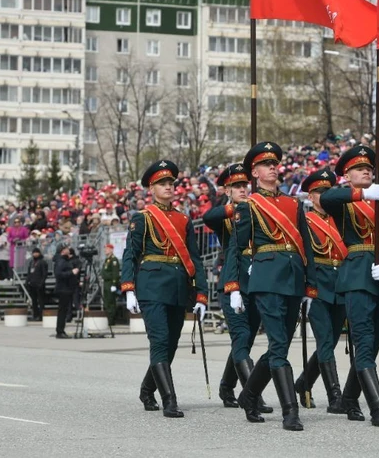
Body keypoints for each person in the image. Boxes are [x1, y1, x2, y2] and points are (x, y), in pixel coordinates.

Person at [227, 142, 316, 431]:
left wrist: (310, 286)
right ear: (254, 172)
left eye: (275, 163)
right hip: (266, 279)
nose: (273, 168)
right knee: (279, 346)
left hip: (292, 279)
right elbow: (236, 248)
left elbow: (306, 245)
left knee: (280, 346)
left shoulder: (293, 204)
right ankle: (290, 411)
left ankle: (248, 395)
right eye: (266, 164)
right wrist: (235, 286)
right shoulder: (248, 206)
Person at [321, 145, 379, 428]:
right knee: (363, 342)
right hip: (357, 274)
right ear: (347, 175)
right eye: (360, 169)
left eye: (370, 169)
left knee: (372, 344)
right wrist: (362, 194)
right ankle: (378, 409)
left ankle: (349, 398)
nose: (367, 172)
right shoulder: (345, 200)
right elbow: (326, 196)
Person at [121, 160, 208, 418]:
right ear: (152, 188)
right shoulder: (142, 219)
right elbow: (130, 255)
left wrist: (201, 294)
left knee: (170, 345)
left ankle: (147, 389)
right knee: (159, 341)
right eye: (162, 183)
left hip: (178, 288)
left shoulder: (183, 219)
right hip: (151, 287)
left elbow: (195, 258)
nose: (168, 187)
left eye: (171, 183)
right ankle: (170, 400)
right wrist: (128, 288)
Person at [205, 164, 271, 414]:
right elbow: (208, 217)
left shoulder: (258, 210)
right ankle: (252, 394)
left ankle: (226, 386)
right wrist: (237, 207)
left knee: (246, 339)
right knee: (241, 337)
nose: (243, 190)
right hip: (233, 283)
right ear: (227, 190)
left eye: (245, 186)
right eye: (237, 187)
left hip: (257, 282)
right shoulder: (227, 215)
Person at [294, 168, 348, 415]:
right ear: (311, 197)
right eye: (320, 192)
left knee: (332, 340)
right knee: (325, 340)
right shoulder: (304, 221)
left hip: (340, 284)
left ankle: (304, 382)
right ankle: (335, 396)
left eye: (329, 192)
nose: (325, 197)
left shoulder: (343, 221)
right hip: (317, 285)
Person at [54, 244, 79, 339]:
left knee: (63, 311)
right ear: (62, 251)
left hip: (66, 288)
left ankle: (61, 330)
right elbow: (58, 274)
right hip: (63, 289)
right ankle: (60, 331)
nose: (69, 249)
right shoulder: (61, 261)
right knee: (62, 311)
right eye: (66, 248)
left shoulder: (64, 260)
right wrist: (71, 272)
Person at [101, 243, 121, 326]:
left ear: (111, 250)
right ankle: (109, 318)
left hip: (110, 283)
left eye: (107, 248)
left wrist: (114, 283)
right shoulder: (107, 260)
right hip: (106, 282)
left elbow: (115, 273)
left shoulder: (114, 260)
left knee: (111, 301)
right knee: (106, 301)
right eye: (105, 248)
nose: (105, 250)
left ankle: (112, 320)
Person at [26, 248, 48, 321]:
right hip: (32, 284)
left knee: (41, 301)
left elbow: (44, 274)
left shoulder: (42, 262)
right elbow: (29, 273)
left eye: (36, 253)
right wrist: (27, 281)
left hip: (39, 284)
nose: (35, 254)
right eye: (34, 253)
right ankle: (35, 315)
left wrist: (42, 283)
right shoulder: (31, 262)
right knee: (34, 301)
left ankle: (41, 315)